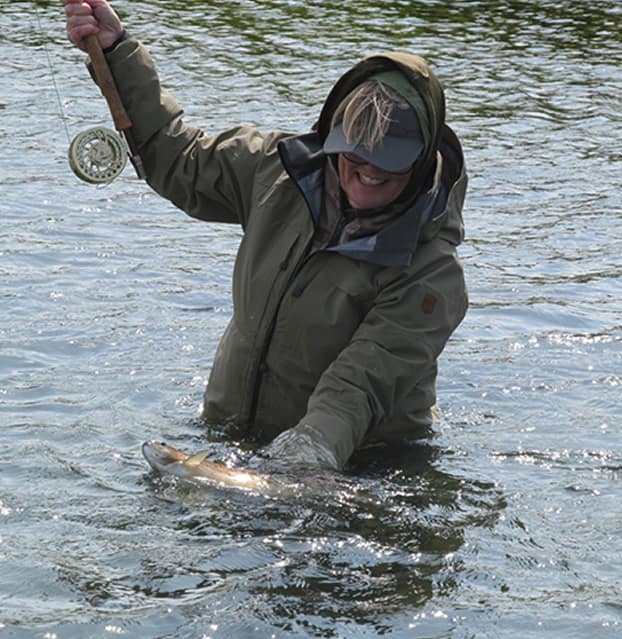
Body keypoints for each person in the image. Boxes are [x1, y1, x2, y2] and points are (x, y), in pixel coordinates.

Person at [62, 0, 468, 472]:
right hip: (233, 439)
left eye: (390, 160)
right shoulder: (275, 169)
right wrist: (116, 52)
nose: (368, 172)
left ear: (420, 162)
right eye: (354, 154)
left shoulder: (432, 275)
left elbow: (358, 387)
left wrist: (303, 459)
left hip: (365, 465)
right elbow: (177, 160)